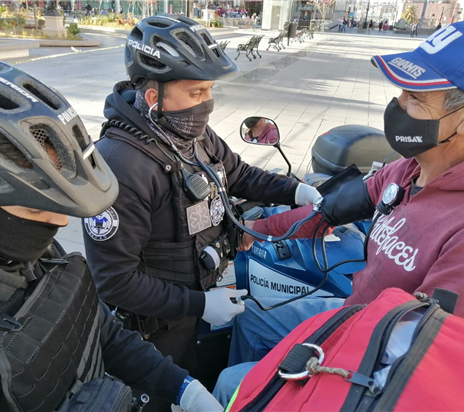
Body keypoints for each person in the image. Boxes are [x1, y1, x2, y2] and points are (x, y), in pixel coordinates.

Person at [213, 19, 464, 406]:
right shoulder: (407, 170)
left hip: (375, 362)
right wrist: (256, 229)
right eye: (402, 92)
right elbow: (327, 212)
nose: (399, 107)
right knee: (249, 316)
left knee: (230, 384)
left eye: (417, 98)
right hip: (352, 311)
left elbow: (422, 358)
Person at [0, 57, 223, 412]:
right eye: (34, 208)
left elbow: (102, 330)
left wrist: (183, 387)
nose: (59, 223)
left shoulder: (23, 252)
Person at [82, 14, 320, 410]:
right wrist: (200, 304)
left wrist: (295, 190)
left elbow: (238, 172)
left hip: (200, 297)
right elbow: (114, 282)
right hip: (155, 327)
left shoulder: (190, 133)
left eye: (209, 90)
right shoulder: (122, 165)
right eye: (196, 93)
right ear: (154, 98)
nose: (207, 103)